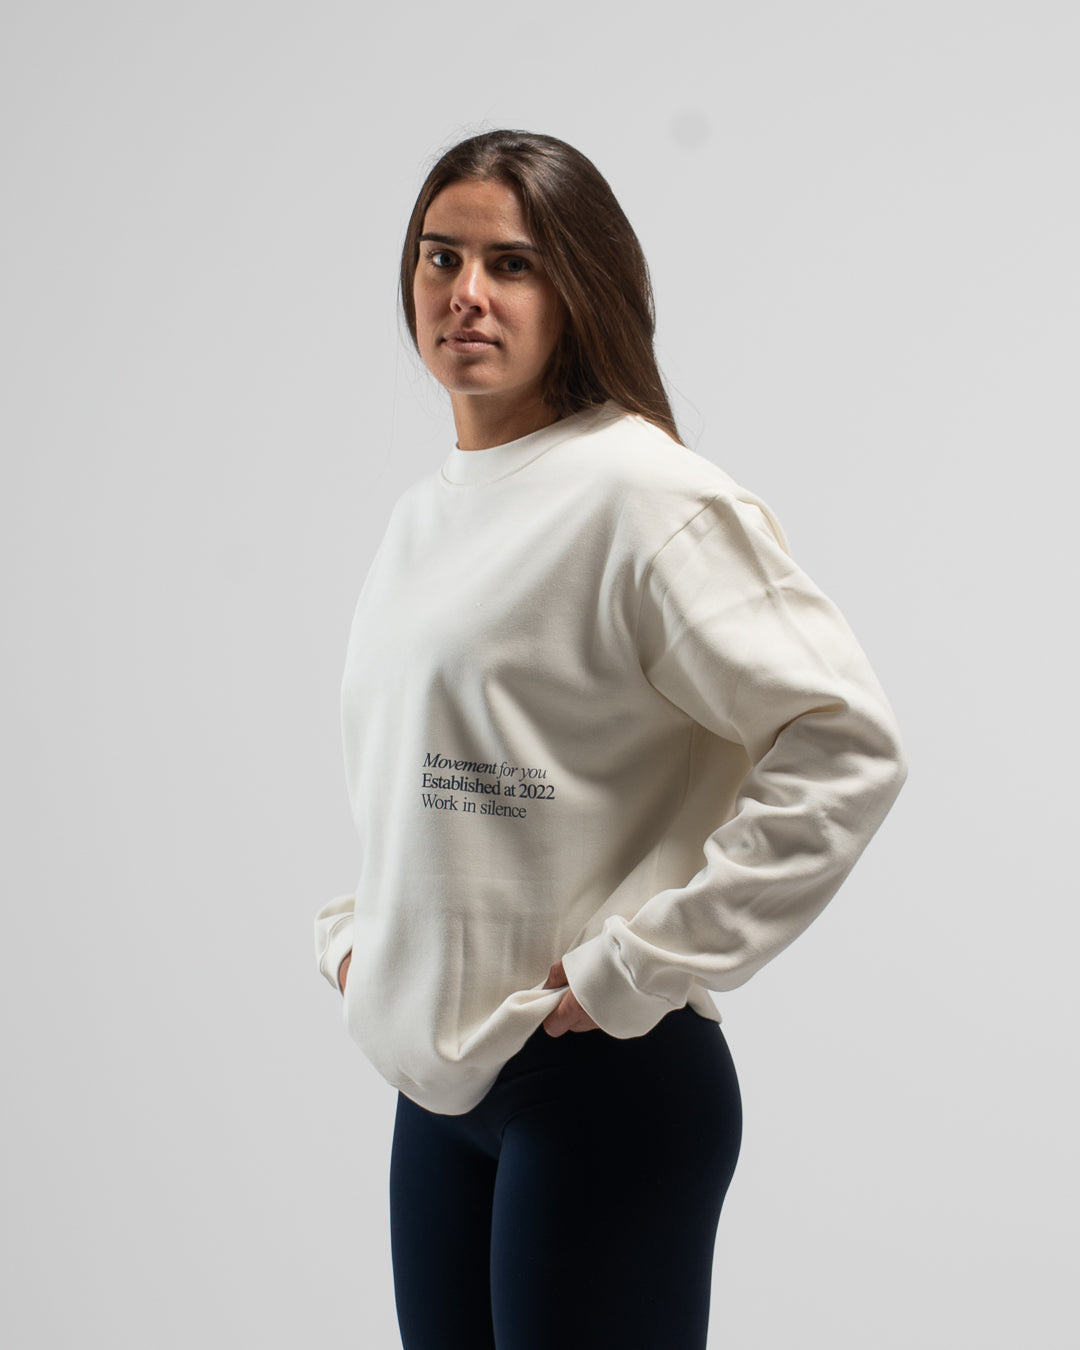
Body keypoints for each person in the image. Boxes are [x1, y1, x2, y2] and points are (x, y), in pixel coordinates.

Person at [314, 129, 906, 1350]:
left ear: (579, 287)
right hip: (439, 1086)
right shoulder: (422, 517)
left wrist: (639, 964)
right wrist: (366, 938)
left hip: (600, 1084)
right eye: (440, 257)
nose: (465, 293)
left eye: (512, 264)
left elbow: (843, 744)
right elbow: (425, 772)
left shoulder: (645, 496)